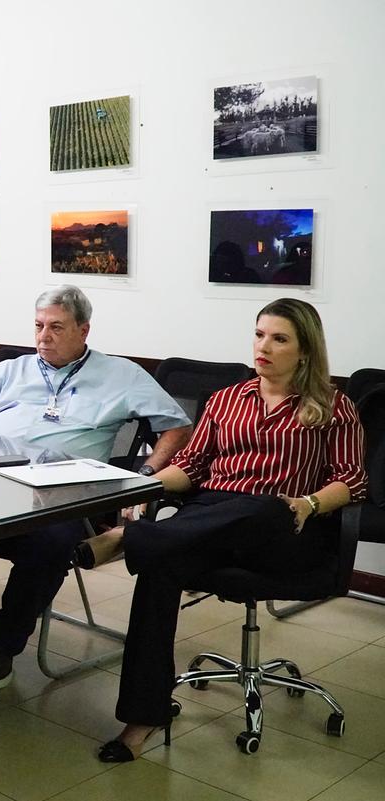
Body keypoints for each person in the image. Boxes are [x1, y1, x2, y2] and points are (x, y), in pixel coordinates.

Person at [81, 298, 366, 763]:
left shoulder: (333, 406)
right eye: (259, 335)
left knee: (266, 509)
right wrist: (143, 488)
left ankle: (124, 540)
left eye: (279, 339)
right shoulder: (226, 399)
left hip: (284, 525)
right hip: (211, 517)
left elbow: (352, 480)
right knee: (160, 567)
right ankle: (144, 715)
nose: (263, 347)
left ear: (306, 350)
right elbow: (190, 467)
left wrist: (309, 502)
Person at [0, 285, 193, 688]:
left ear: (84, 330)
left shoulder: (121, 374)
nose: (43, 337)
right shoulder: (13, 370)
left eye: (56, 328)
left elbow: (178, 426)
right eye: (38, 326)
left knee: (51, 543)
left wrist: (147, 475)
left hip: (64, 496)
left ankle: (5, 642)